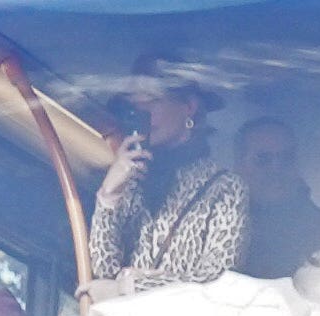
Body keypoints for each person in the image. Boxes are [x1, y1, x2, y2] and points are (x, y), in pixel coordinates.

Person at [86, 58, 249, 296]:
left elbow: (217, 283)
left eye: (152, 102)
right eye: (135, 108)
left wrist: (133, 286)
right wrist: (109, 194)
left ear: (189, 107)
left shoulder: (226, 187)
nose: (144, 116)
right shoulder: (132, 178)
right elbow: (104, 269)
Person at [231, 117, 320, 278]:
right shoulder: (219, 234)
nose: (276, 168)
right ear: (239, 166)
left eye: (287, 158)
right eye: (263, 159)